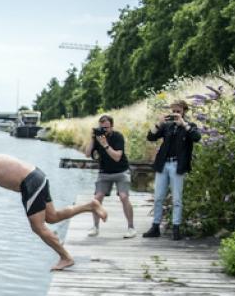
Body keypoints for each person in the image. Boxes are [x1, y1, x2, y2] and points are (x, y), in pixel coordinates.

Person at [0, 142, 108, 271]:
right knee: (52, 217)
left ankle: (65, 257)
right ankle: (90, 205)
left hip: (30, 182)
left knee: (38, 227)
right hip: (35, 177)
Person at [143, 100, 201, 240]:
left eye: (178, 111)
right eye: (173, 111)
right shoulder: (167, 126)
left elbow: (197, 137)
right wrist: (159, 123)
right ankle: (155, 227)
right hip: (163, 164)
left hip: (177, 165)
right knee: (158, 197)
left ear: (184, 111)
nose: (175, 114)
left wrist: (184, 124)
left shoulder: (189, 126)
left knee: (177, 199)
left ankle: (176, 228)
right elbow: (151, 137)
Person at [85, 114, 135, 238]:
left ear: (111, 126)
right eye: (102, 128)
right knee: (97, 198)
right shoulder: (98, 138)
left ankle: (131, 227)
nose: (104, 130)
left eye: (107, 128)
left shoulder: (118, 137)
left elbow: (117, 157)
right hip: (105, 172)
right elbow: (87, 154)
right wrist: (93, 139)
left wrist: (105, 144)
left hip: (121, 171)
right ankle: (95, 227)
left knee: (124, 197)